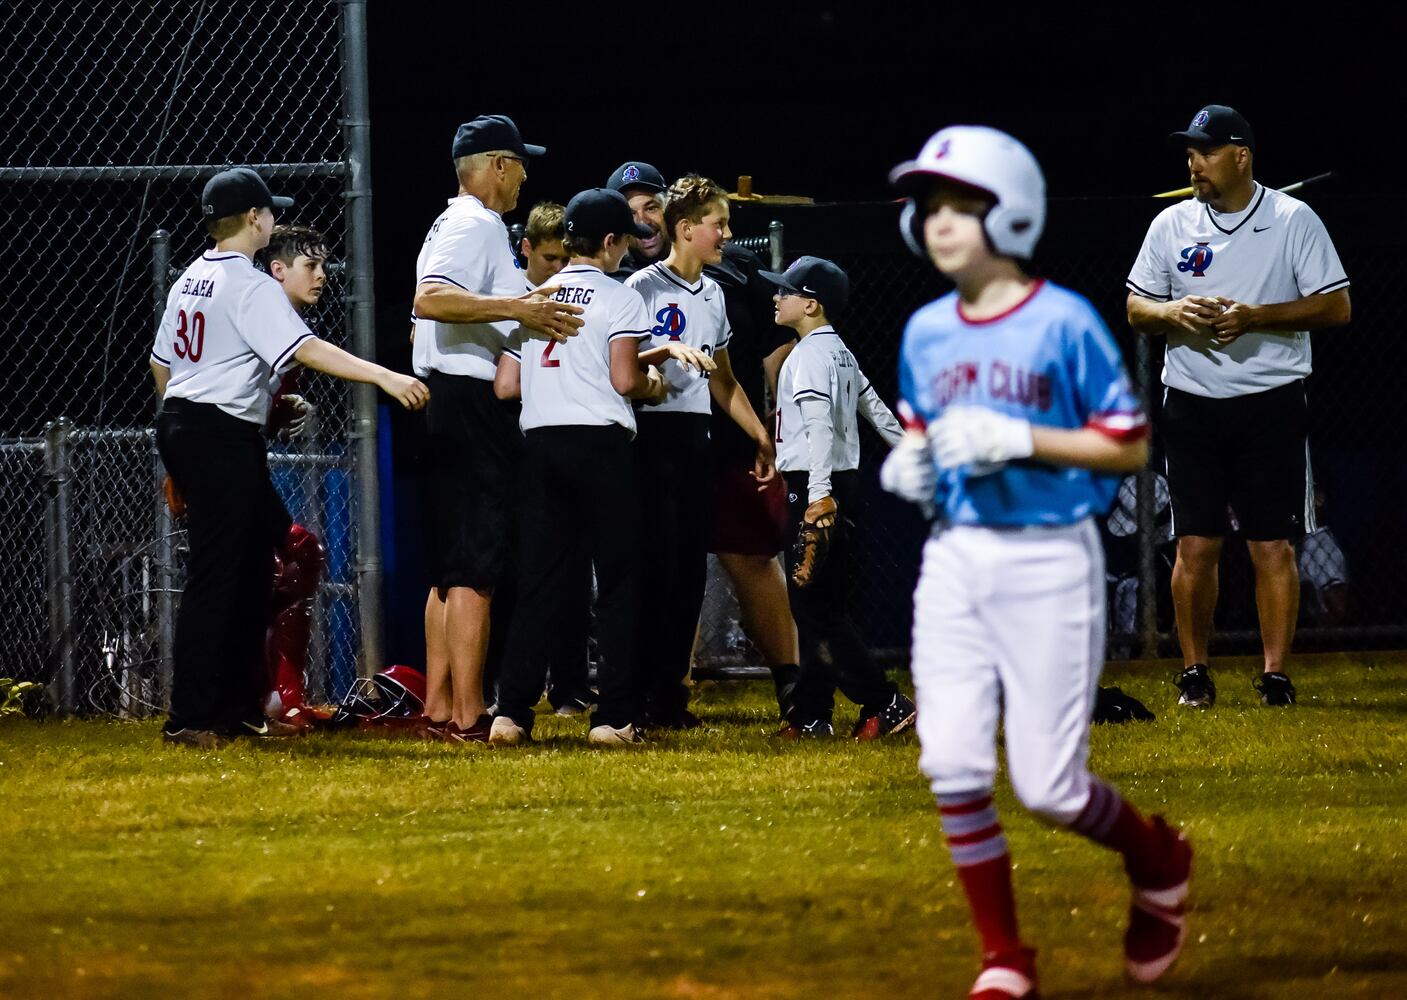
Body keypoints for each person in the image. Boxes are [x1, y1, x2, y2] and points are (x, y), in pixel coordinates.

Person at [880, 127, 1190, 997]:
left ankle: (1158, 858)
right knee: (950, 763)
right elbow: (922, 432)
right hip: (956, 558)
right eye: (929, 207)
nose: (938, 223)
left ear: (1009, 210)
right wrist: (916, 459)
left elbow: (1126, 445)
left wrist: (1020, 436)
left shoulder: (1062, 319)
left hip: (1049, 559)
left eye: (961, 205)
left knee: (1050, 787)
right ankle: (1003, 956)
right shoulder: (925, 330)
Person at [150, 167, 428, 749]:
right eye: (268, 212)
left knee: (252, 569)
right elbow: (304, 346)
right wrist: (382, 375)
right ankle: (191, 716)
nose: (272, 220)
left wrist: (212, 412)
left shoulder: (191, 278)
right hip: (216, 436)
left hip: (196, 425)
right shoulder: (248, 283)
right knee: (219, 574)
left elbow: (162, 365)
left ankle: (234, 708)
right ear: (254, 219)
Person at [1126, 104, 1351, 708]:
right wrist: (1174, 312)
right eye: (1190, 154)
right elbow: (1136, 307)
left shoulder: (1291, 219)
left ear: (1241, 155)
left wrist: (1257, 316)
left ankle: (1275, 674)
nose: (1194, 163)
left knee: (1270, 545)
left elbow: (1336, 306)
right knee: (1195, 544)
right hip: (1192, 405)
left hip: (1271, 403)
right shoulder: (1171, 224)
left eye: (1205, 151)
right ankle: (1195, 671)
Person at [488, 188, 715, 746]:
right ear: (611, 242)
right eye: (624, 242)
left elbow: (505, 385)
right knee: (617, 582)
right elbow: (623, 380)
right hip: (601, 448)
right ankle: (613, 718)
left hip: (541, 446)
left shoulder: (537, 295)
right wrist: (654, 385)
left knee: (539, 584)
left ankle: (511, 713)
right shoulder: (619, 298)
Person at [410, 114, 584, 743]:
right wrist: (517, 307)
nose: (525, 176)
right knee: (477, 567)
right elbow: (429, 298)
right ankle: (468, 713)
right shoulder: (475, 222)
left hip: (445, 398)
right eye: (520, 163)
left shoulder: (452, 220)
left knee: (451, 567)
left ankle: (437, 706)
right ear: (498, 165)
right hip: (468, 399)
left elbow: (424, 315)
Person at [610, 160, 801, 718]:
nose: (724, 233)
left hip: (696, 438)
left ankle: (669, 694)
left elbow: (723, 379)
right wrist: (660, 355)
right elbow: (615, 367)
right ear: (686, 227)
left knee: (690, 567)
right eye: (716, 222)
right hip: (649, 437)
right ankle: (636, 692)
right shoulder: (640, 288)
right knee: (655, 565)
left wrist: (761, 436)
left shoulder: (713, 294)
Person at [760, 255, 916, 739]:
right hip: (842, 483)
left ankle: (884, 701)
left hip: (816, 483)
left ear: (811, 304)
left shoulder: (807, 354)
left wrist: (817, 496)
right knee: (823, 604)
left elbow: (820, 428)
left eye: (785, 291)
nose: (776, 297)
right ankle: (811, 713)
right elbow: (877, 411)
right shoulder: (840, 351)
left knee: (814, 609)